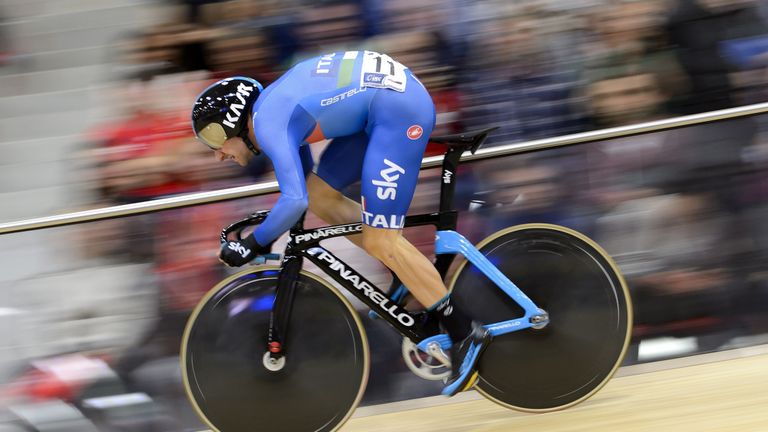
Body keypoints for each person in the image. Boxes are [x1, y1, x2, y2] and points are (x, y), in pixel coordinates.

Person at [190, 51, 491, 396]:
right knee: (323, 197)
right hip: (384, 104)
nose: (217, 153)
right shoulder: (272, 111)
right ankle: (406, 273)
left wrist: (253, 243)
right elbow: (303, 190)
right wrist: (268, 227)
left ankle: (464, 330)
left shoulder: (267, 122)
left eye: (213, 138)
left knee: (381, 241)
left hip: (397, 110)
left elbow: (293, 200)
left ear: (232, 120)